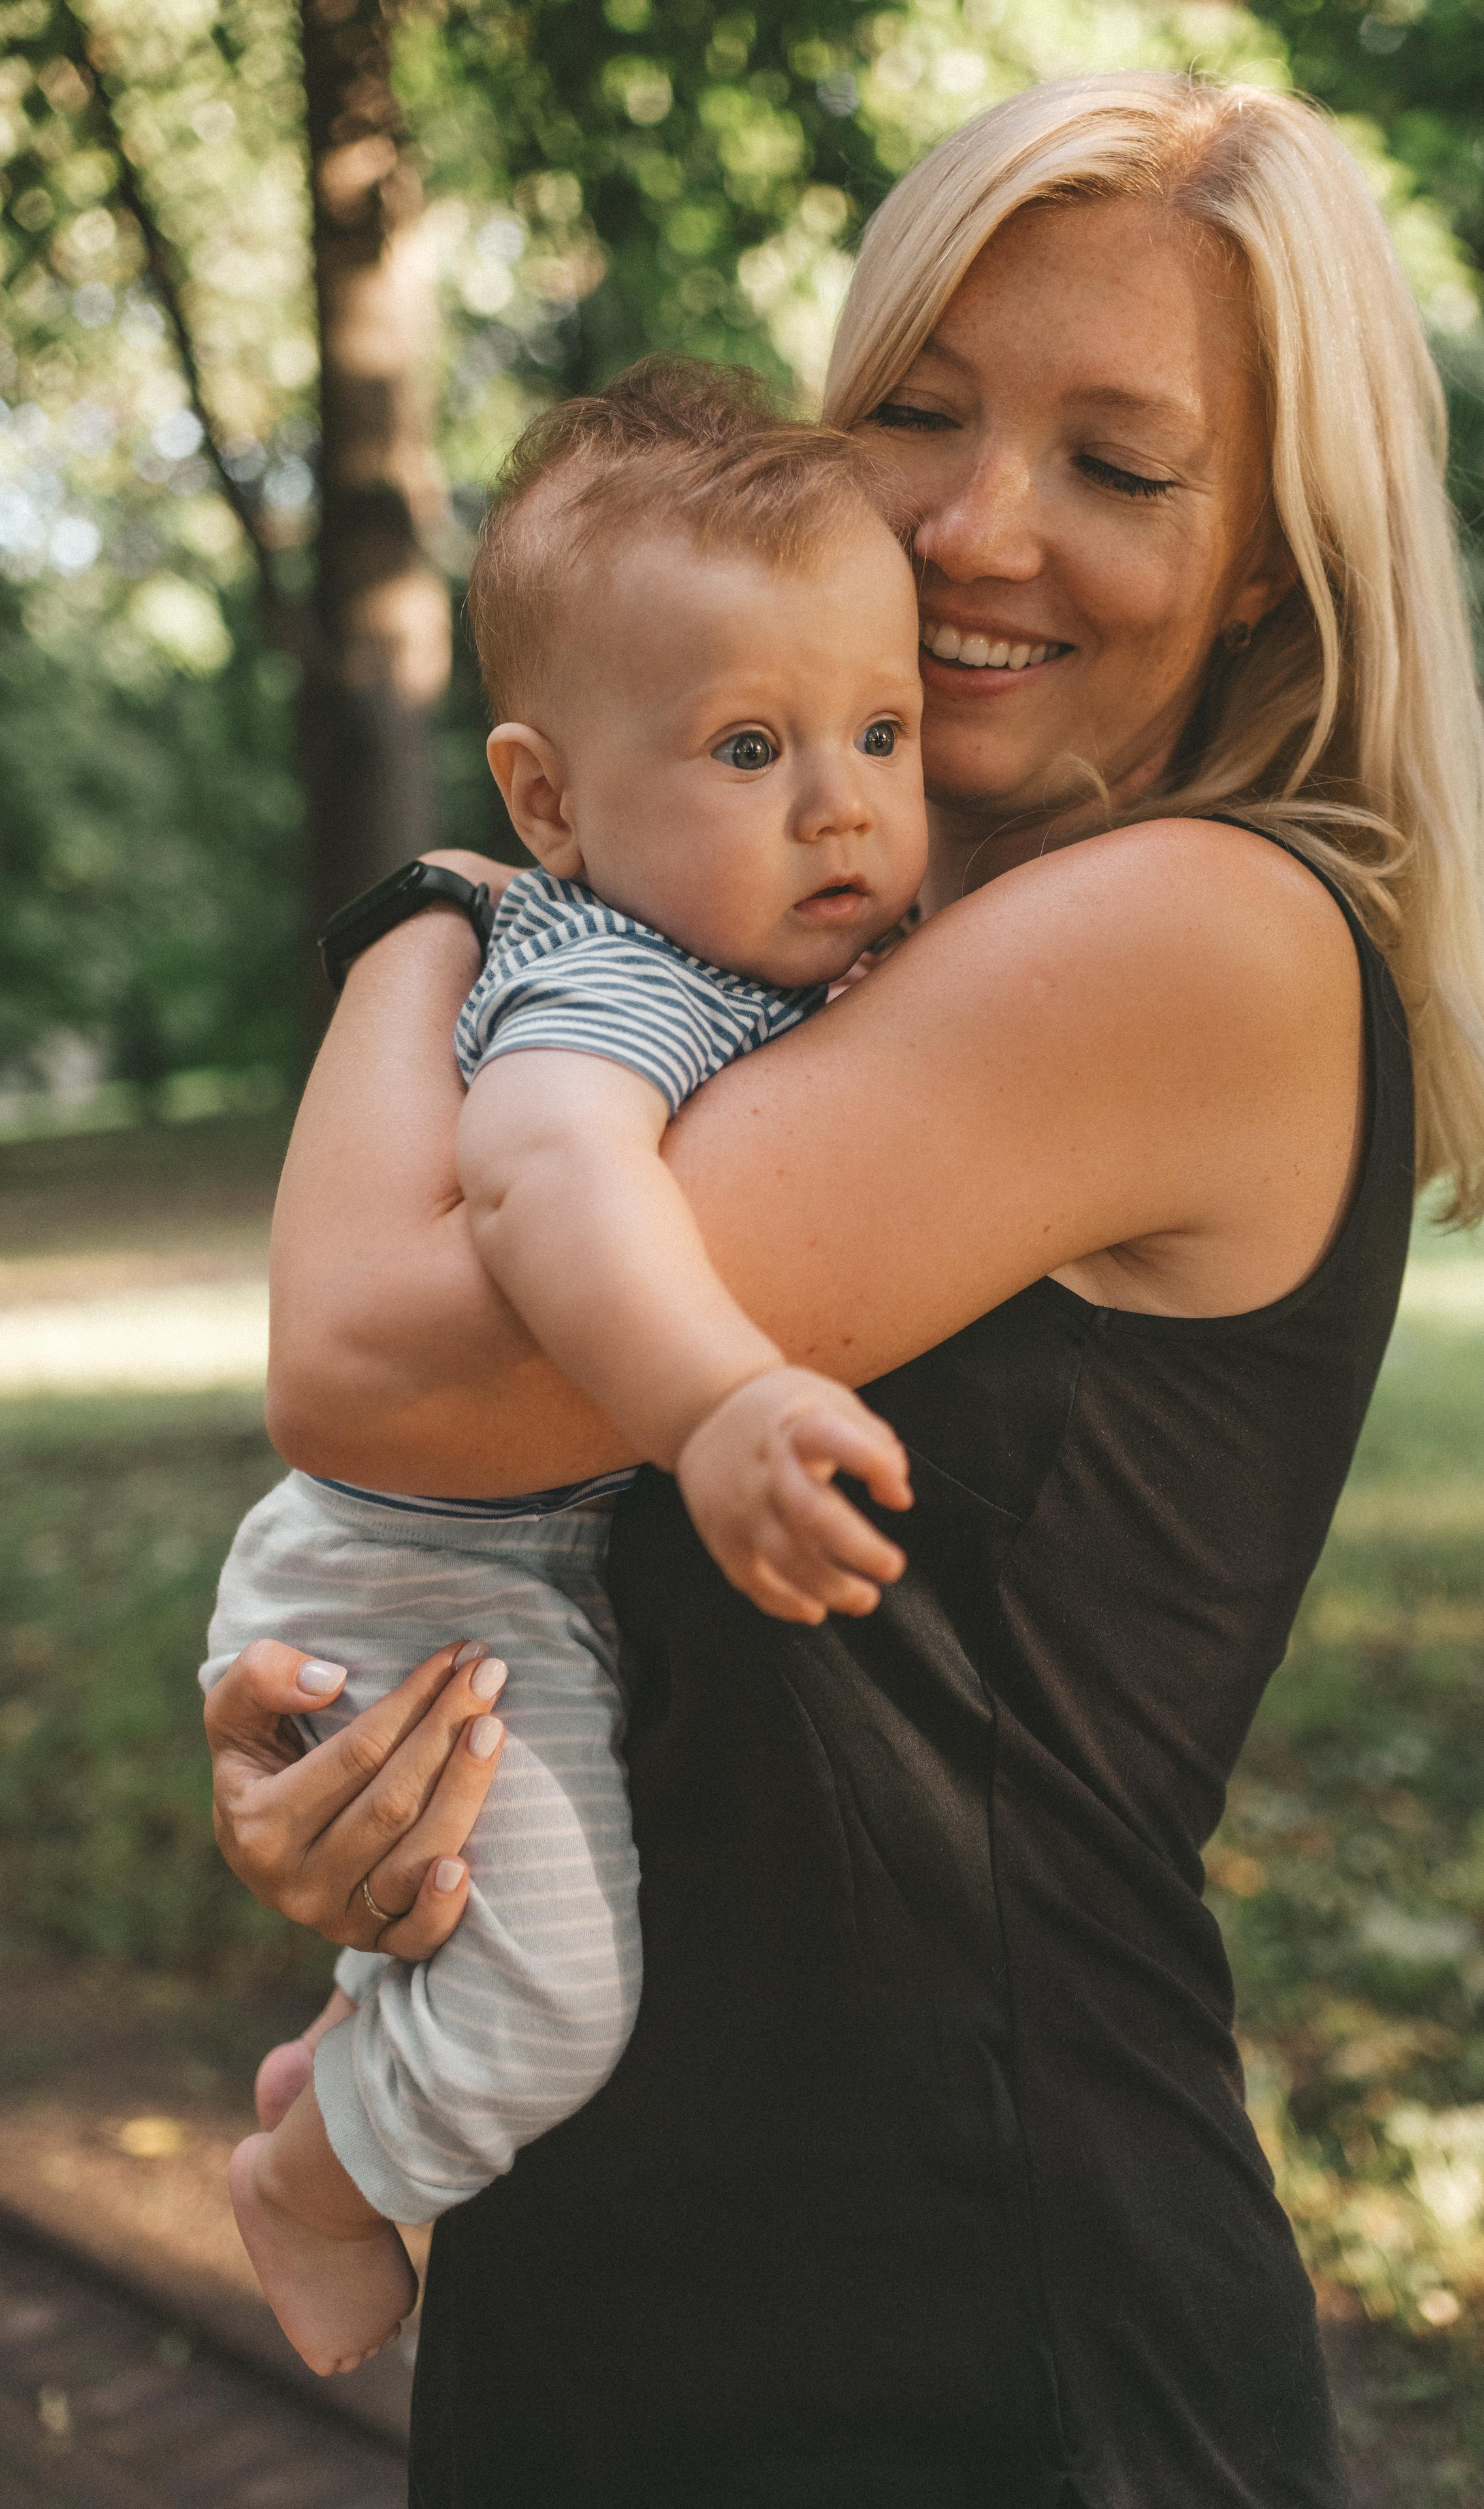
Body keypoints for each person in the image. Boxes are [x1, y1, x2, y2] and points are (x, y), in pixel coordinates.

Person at [204, 70, 1484, 2508]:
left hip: (959, 2334)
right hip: (609, 2262)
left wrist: (448, 917)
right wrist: (377, 1803)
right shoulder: (816, 948)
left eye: (1122, 466)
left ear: (1267, 556)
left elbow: (368, 1361)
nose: (969, 525)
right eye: (914, 410)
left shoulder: (1186, 937)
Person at [200, 364, 926, 2377]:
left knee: (506, 1927)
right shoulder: (612, 970)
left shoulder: (770, 931)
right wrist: (711, 1401)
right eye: (752, 746)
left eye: (883, 730)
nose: (843, 802)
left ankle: (346, 2081)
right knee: (551, 2003)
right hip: (419, 1579)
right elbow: (545, 1178)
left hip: (485, 1558)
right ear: (547, 804)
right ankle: (313, 2185)